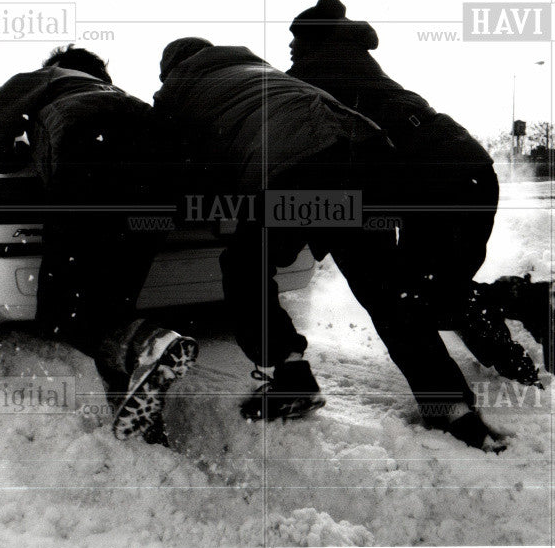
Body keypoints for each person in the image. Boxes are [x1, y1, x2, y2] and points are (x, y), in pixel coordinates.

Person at [154, 38, 506, 451]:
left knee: (245, 266)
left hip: (297, 160)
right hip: (365, 150)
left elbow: (177, 166)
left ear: (171, 68)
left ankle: (289, 375)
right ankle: (451, 408)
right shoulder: (257, 69)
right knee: (386, 291)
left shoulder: (177, 89)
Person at [285, 0, 555, 380]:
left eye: (295, 41)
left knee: (418, 299)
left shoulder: (319, 70)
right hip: (466, 173)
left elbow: (289, 111)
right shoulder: (355, 64)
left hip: (441, 182)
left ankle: (529, 300)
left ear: (313, 41)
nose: (290, 50)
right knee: (436, 291)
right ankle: (515, 358)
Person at [0, 44, 197, 445]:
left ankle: (150, 342)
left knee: (60, 315)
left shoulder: (53, 77)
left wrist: (9, 156)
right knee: (112, 311)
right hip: (159, 185)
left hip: (91, 166)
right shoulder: (124, 98)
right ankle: (143, 421)